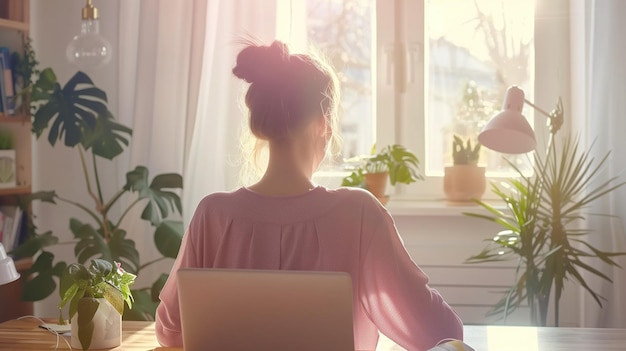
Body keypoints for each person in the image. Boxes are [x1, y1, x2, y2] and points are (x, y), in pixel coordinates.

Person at [155, 40, 463, 350]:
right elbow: (439, 332)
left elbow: (169, 331)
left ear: (261, 123)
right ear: (323, 124)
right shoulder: (359, 214)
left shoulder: (213, 215)